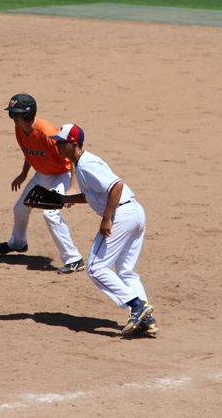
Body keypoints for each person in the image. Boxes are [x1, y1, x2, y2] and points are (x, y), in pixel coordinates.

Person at [52, 124, 158, 336]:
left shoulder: (86, 165)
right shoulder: (83, 164)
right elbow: (94, 194)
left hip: (121, 215)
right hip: (134, 212)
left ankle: (137, 306)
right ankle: (147, 320)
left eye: (60, 143)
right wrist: (64, 199)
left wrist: (107, 219)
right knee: (126, 271)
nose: (57, 146)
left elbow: (116, 186)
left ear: (73, 145)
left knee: (94, 268)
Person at [0, 94, 84, 274]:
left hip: (62, 175)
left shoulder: (48, 133)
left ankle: (74, 259)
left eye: (16, 113)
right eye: (11, 113)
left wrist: (73, 187)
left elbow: (73, 159)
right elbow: (30, 152)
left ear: (28, 114)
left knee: (50, 214)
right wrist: (24, 174)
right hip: (41, 174)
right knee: (20, 208)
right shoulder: (20, 128)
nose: (13, 117)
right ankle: (18, 244)